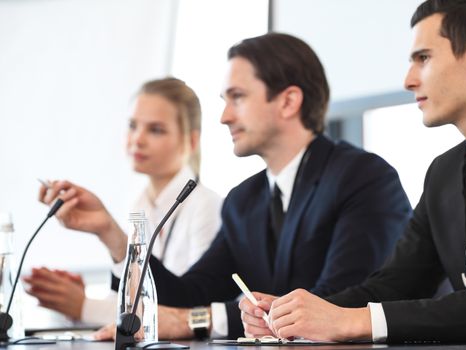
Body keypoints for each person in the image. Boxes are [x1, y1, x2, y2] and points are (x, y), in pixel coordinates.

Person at [57, 32, 412, 340]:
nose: (224, 116)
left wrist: (199, 320)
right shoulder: (245, 199)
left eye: (237, 97)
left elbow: (338, 304)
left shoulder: (363, 178)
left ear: (288, 101)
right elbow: (187, 295)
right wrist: (111, 234)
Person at [240, 0, 466, 344]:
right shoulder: (444, 173)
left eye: (423, 58)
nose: (408, 80)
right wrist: (300, 315)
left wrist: (351, 322)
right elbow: (397, 284)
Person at [24, 77, 222, 325]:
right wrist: (73, 300)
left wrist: (83, 306)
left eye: (155, 129)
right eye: (132, 125)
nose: (137, 139)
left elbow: (189, 309)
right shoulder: (140, 205)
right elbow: (129, 306)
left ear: (191, 141)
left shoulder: (208, 207)